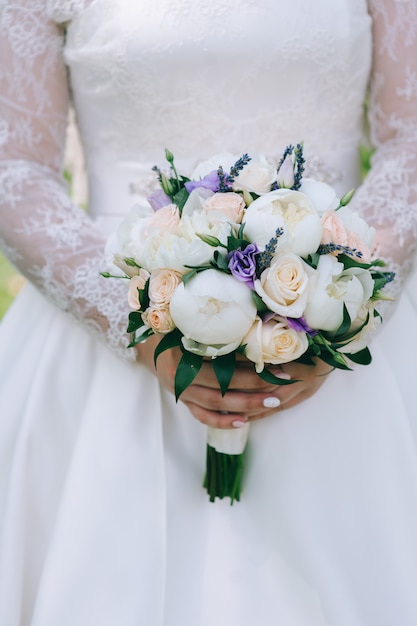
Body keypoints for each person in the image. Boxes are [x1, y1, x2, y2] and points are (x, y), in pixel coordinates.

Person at [0, 0, 416, 624]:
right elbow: (16, 166)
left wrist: (344, 300)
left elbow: (410, 139)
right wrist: (135, 318)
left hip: (340, 331)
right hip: (107, 345)